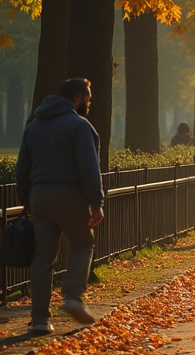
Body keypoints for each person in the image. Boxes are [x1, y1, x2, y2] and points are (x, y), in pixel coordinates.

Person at [16, 78, 105, 334]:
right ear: (77, 96)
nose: (89, 102)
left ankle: (41, 320)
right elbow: (89, 166)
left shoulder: (33, 126)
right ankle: (73, 298)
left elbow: (23, 167)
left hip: (40, 197)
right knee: (82, 244)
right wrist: (96, 202)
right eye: (88, 97)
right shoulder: (78, 125)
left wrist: (27, 201)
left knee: (43, 256)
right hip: (69, 194)